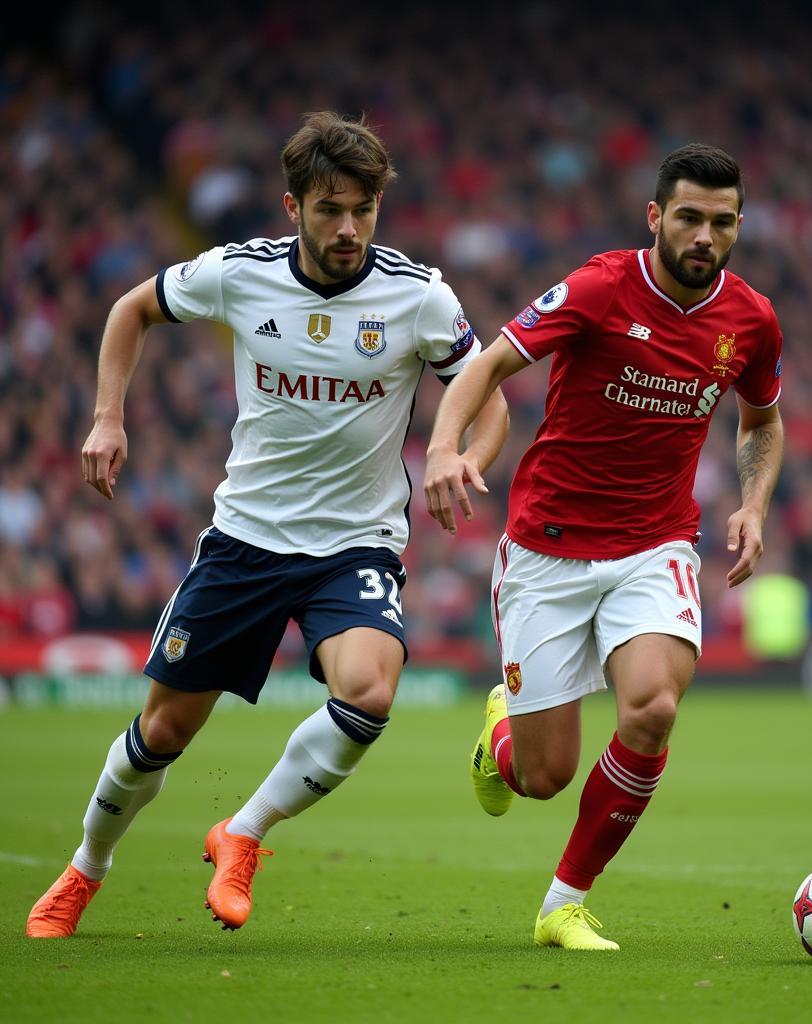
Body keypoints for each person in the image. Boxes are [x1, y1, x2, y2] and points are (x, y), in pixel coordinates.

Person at [26, 111, 509, 938]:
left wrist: (457, 456)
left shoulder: (419, 296)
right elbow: (128, 311)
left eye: (364, 209)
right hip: (246, 539)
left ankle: (242, 833)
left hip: (354, 543)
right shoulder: (238, 274)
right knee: (162, 731)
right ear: (293, 208)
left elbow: (491, 399)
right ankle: (85, 870)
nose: (350, 227)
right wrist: (107, 417)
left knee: (369, 691)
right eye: (330, 209)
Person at [424, 143, 784, 950]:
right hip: (548, 550)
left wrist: (755, 505)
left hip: (656, 544)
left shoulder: (751, 320)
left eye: (722, 223)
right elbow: (488, 366)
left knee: (654, 708)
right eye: (689, 217)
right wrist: (445, 449)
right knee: (543, 777)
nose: (704, 236)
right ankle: (502, 731)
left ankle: (563, 903)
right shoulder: (597, 287)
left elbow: (762, 422)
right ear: (655, 217)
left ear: (737, 227)